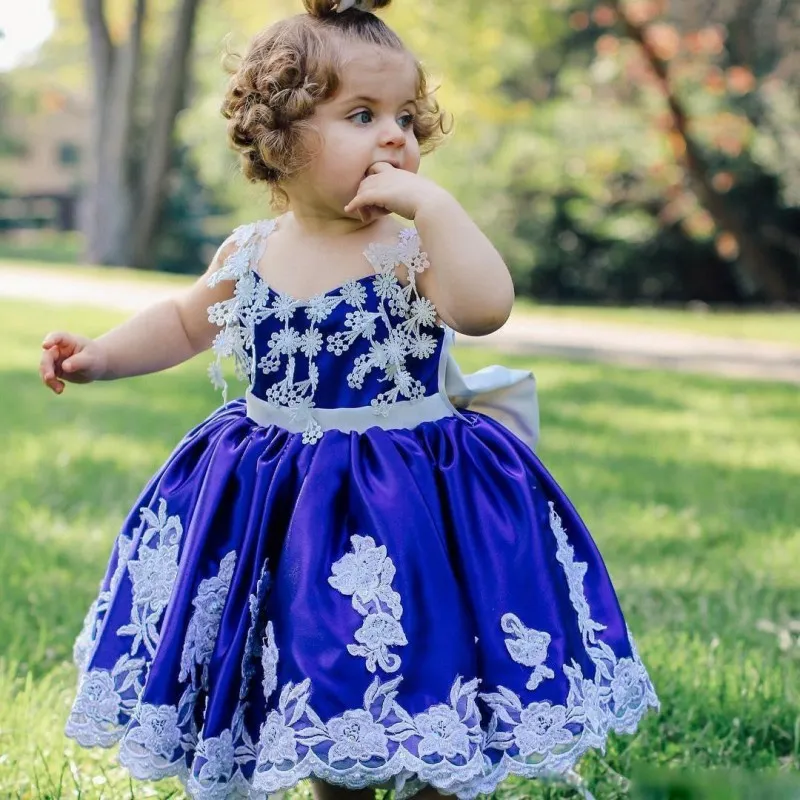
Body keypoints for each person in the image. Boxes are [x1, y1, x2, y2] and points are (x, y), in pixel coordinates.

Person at [39, 0, 659, 798]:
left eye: (406, 115)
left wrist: (434, 208)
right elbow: (182, 322)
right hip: (279, 501)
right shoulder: (251, 251)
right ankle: (333, 770)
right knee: (312, 659)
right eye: (361, 114)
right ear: (279, 137)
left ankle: (436, 769)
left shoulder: (409, 244)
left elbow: (485, 308)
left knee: (429, 654)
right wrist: (99, 358)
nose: (395, 134)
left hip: (407, 497)